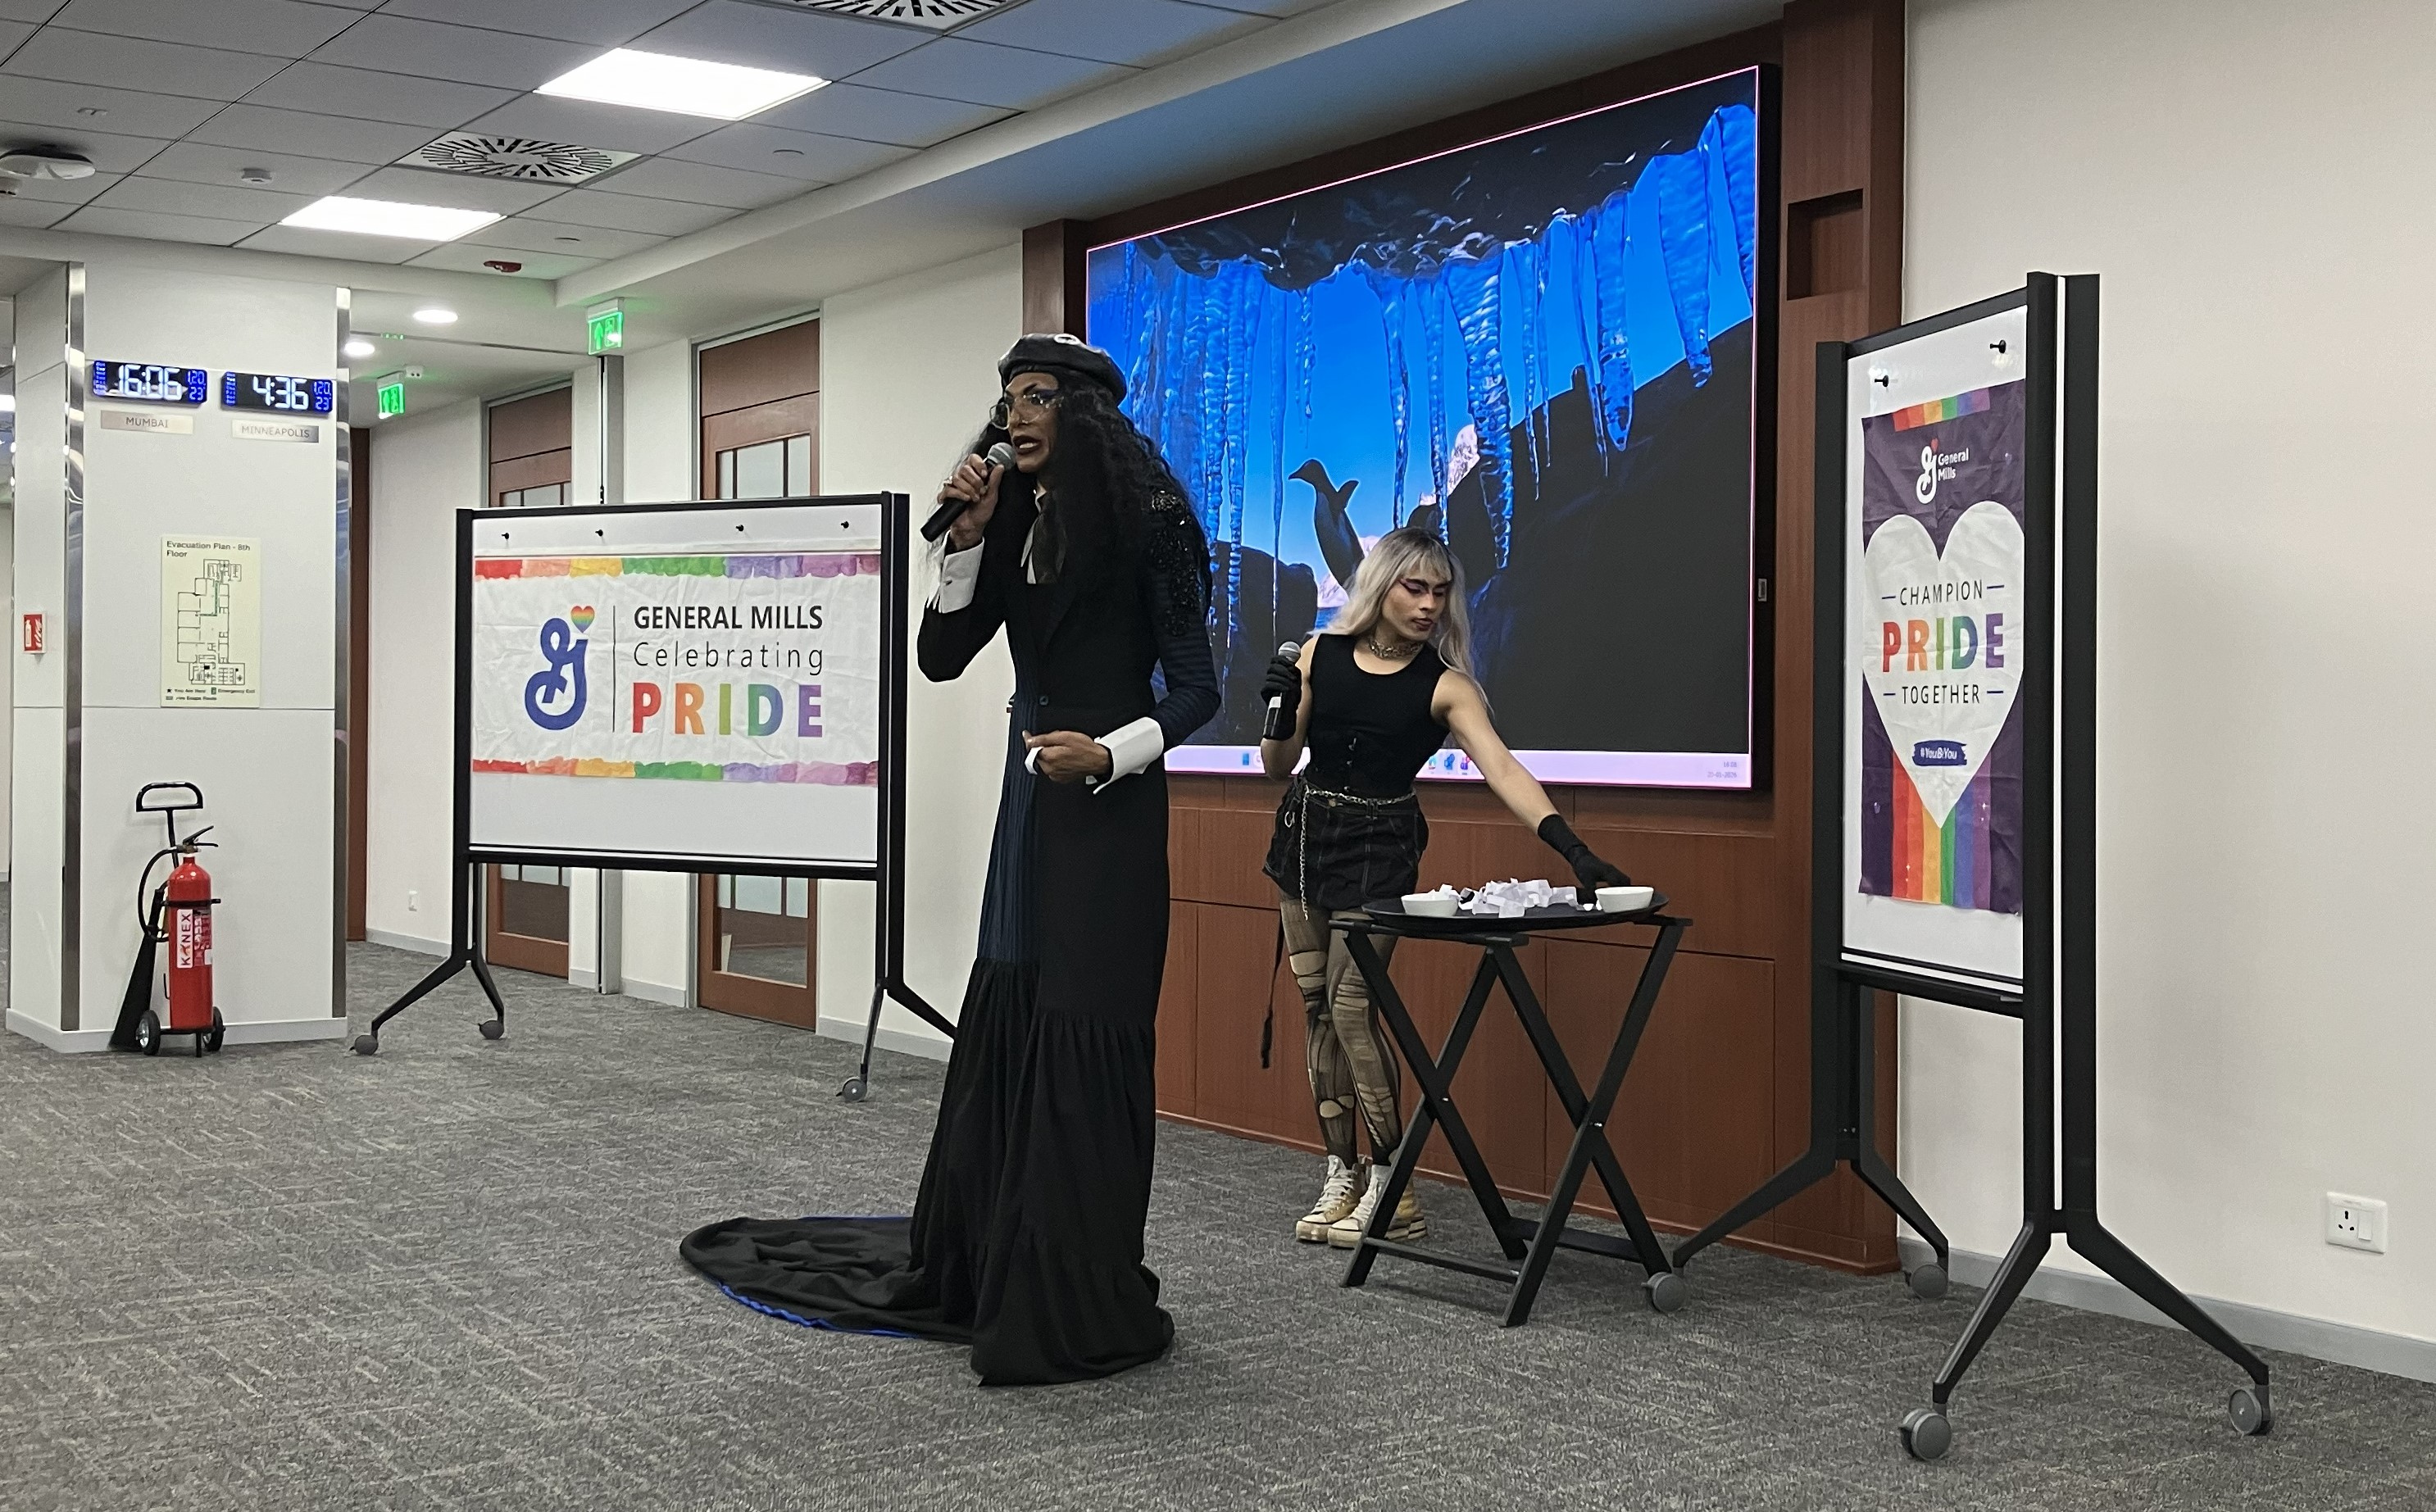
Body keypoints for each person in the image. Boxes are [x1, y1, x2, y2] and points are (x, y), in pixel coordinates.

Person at [682, 334, 1218, 1385]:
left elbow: (1198, 687)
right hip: (1029, 801)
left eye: (1035, 398)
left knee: (1082, 1022)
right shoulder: (1012, 514)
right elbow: (939, 658)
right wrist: (965, 540)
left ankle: (1069, 1279)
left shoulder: (1153, 521)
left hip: (1109, 808)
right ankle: (990, 1253)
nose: (1013, 415)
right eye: (1008, 398)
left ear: (1087, 414)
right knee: (1013, 1002)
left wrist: (1110, 752)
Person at [1260, 526, 1629, 1246]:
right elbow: (1279, 764)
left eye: (1440, 591)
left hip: (1381, 851)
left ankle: (1392, 1182)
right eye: (1414, 587)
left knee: (1352, 1005)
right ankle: (1342, 1172)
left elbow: (1503, 768)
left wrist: (1571, 847)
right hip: (1302, 841)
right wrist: (1276, 709)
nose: (1430, 604)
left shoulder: (1446, 684)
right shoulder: (1317, 654)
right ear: (1381, 584)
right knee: (1316, 1012)